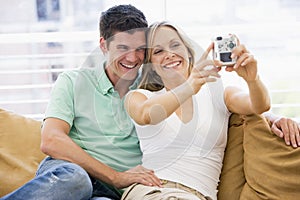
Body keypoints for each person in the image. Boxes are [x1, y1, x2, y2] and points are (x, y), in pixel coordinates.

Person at [0, 5, 161, 200]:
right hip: (69, 173)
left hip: (109, 192)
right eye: (122, 48)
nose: (133, 58)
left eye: (140, 50)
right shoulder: (72, 81)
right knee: (77, 180)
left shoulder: (150, 90)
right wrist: (116, 177)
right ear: (103, 45)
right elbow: (51, 140)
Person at [122, 21, 271, 200]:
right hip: (153, 191)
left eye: (175, 45)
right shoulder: (139, 97)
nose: (169, 54)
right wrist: (189, 86)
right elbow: (146, 115)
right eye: (158, 51)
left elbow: (259, 106)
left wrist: (253, 79)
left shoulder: (221, 94)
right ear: (151, 64)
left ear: (188, 52)